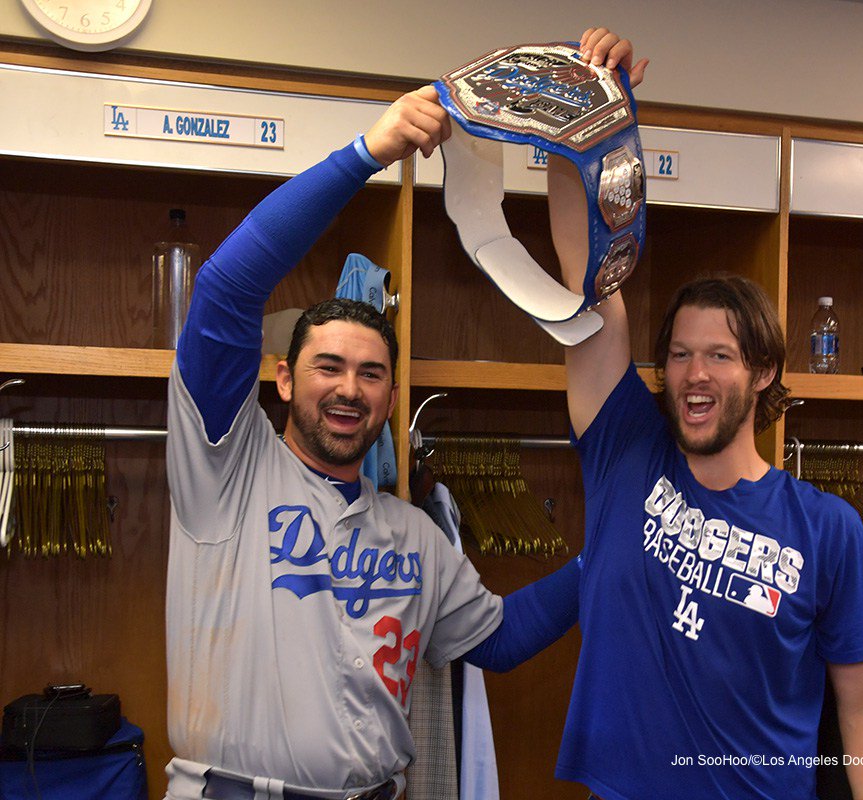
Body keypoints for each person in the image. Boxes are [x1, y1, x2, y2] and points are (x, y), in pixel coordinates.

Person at [164, 86, 579, 800]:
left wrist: (610, 560)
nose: (349, 389)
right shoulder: (227, 469)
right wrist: (368, 155)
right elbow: (227, 289)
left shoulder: (415, 536)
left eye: (371, 374)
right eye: (328, 367)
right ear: (286, 381)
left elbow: (500, 640)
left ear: (391, 398)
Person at [542, 27, 863, 800]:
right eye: (678, 354)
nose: (693, 374)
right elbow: (588, 281)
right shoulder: (625, 454)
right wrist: (582, 114)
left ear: (765, 371)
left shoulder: (827, 527)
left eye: (719, 355)